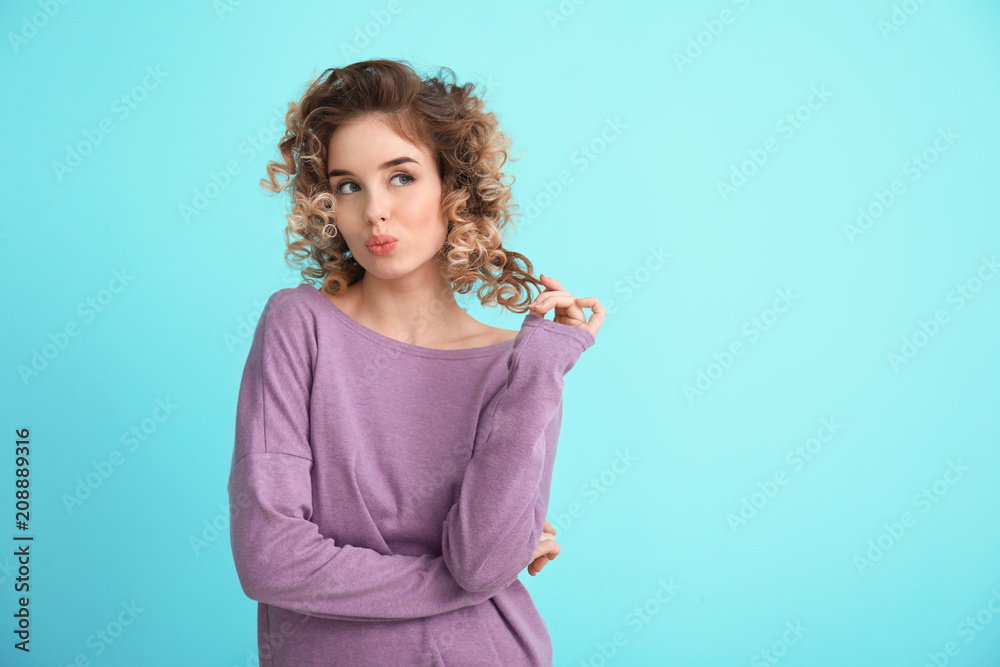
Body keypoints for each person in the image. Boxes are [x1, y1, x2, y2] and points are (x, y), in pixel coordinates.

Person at [227, 58, 606, 666]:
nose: (374, 209)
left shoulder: (519, 366)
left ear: (452, 190)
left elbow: (483, 558)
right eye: (348, 184)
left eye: (401, 177)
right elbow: (271, 558)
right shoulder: (300, 325)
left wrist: (540, 369)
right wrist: (461, 580)